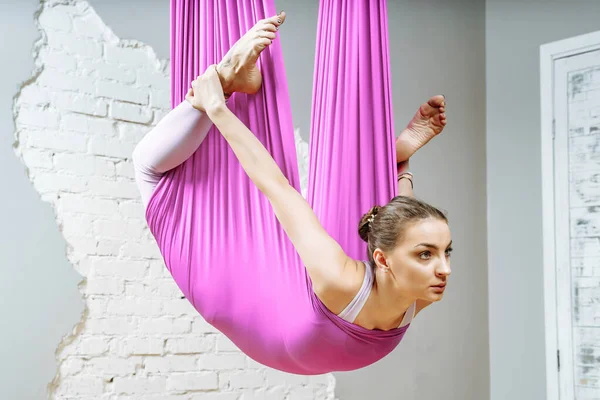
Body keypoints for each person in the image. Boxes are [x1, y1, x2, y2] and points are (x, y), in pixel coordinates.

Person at [132, 12, 451, 373]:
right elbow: (279, 186)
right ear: (383, 259)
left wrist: (215, 106)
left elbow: (279, 186)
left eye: (439, 253)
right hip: (287, 301)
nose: (445, 269)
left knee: (148, 167)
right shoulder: (379, 284)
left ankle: (222, 81)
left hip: (226, 282)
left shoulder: (390, 285)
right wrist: (400, 169)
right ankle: (222, 79)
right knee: (147, 166)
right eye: (431, 254)